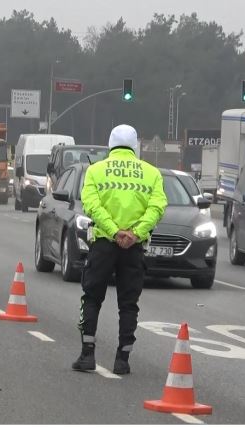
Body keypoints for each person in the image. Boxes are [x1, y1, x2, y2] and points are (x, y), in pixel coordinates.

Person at [72, 124, 167, 375]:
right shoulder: (152, 173)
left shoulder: (96, 171)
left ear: (110, 144)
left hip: (103, 243)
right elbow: (157, 208)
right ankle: (122, 359)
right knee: (128, 303)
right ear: (136, 146)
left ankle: (87, 354)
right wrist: (135, 233)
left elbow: (91, 205)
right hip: (134, 247)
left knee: (91, 297)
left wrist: (114, 231)